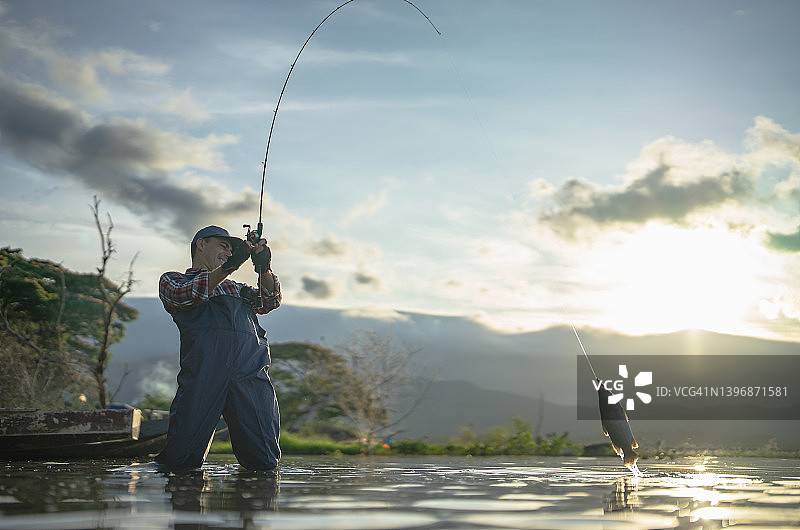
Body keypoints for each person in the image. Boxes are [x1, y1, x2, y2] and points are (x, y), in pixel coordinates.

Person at [156, 225, 282, 470]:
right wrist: (230, 265)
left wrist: (263, 266)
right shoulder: (174, 280)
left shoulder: (238, 289)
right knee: (180, 462)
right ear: (201, 244)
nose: (228, 252)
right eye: (223, 246)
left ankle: (258, 503)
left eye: (232, 250)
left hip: (250, 375)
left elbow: (270, 300)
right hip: (204, 375)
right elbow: (184, 295)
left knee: (264, 462)